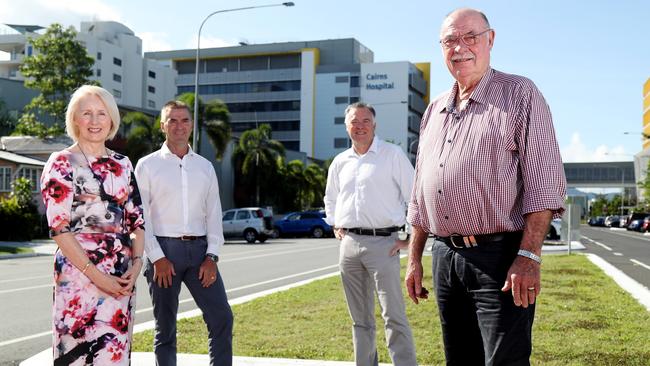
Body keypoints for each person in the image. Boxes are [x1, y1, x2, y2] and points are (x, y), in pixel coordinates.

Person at [404, 8, 566, 366]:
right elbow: (420, 195)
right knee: (459, 359)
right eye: (450, 41)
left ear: (490, 40)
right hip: (445, 257)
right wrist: (414, 258)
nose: (460, 48)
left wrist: (528, 256)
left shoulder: (520, 94)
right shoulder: (434, 111)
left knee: (503, 361)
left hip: (500, 259)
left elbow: (545, 185)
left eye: (470, 37)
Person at [40, 85, 145, 365]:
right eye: (87, 113)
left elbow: (137, 222)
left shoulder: (124, 164)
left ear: (112, 119)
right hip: (79, 281)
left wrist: (136, 266)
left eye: (102, 113)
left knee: (114, 356)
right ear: (75, 118)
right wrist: (98, 277)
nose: (95, 121)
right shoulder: (61, 163)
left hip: (121, 282)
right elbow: (59, 229)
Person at [135, 100, 232, 366]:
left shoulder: (204, 167)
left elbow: (213, 214)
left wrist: (212, 256)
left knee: (221, 317)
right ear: (163, 125)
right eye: (173, 120)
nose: (179, 126)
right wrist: (157, 258)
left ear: (191, 125)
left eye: (184, 120)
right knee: (165, 329)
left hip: (201, 254)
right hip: (163, 254)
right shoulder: (146, 166)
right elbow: (140, 218)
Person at [324, 102, 418, 366]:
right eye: (355, 121)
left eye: (366, 121)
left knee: (393, 315)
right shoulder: (340, 162)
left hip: (384, 244)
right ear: (347, 126)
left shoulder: (392, 155)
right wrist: (335, 223)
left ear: (375, 125)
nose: (360, 126)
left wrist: (410, 238)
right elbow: (330, 198)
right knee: (360, 319)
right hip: (350, 245)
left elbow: (415, 196)